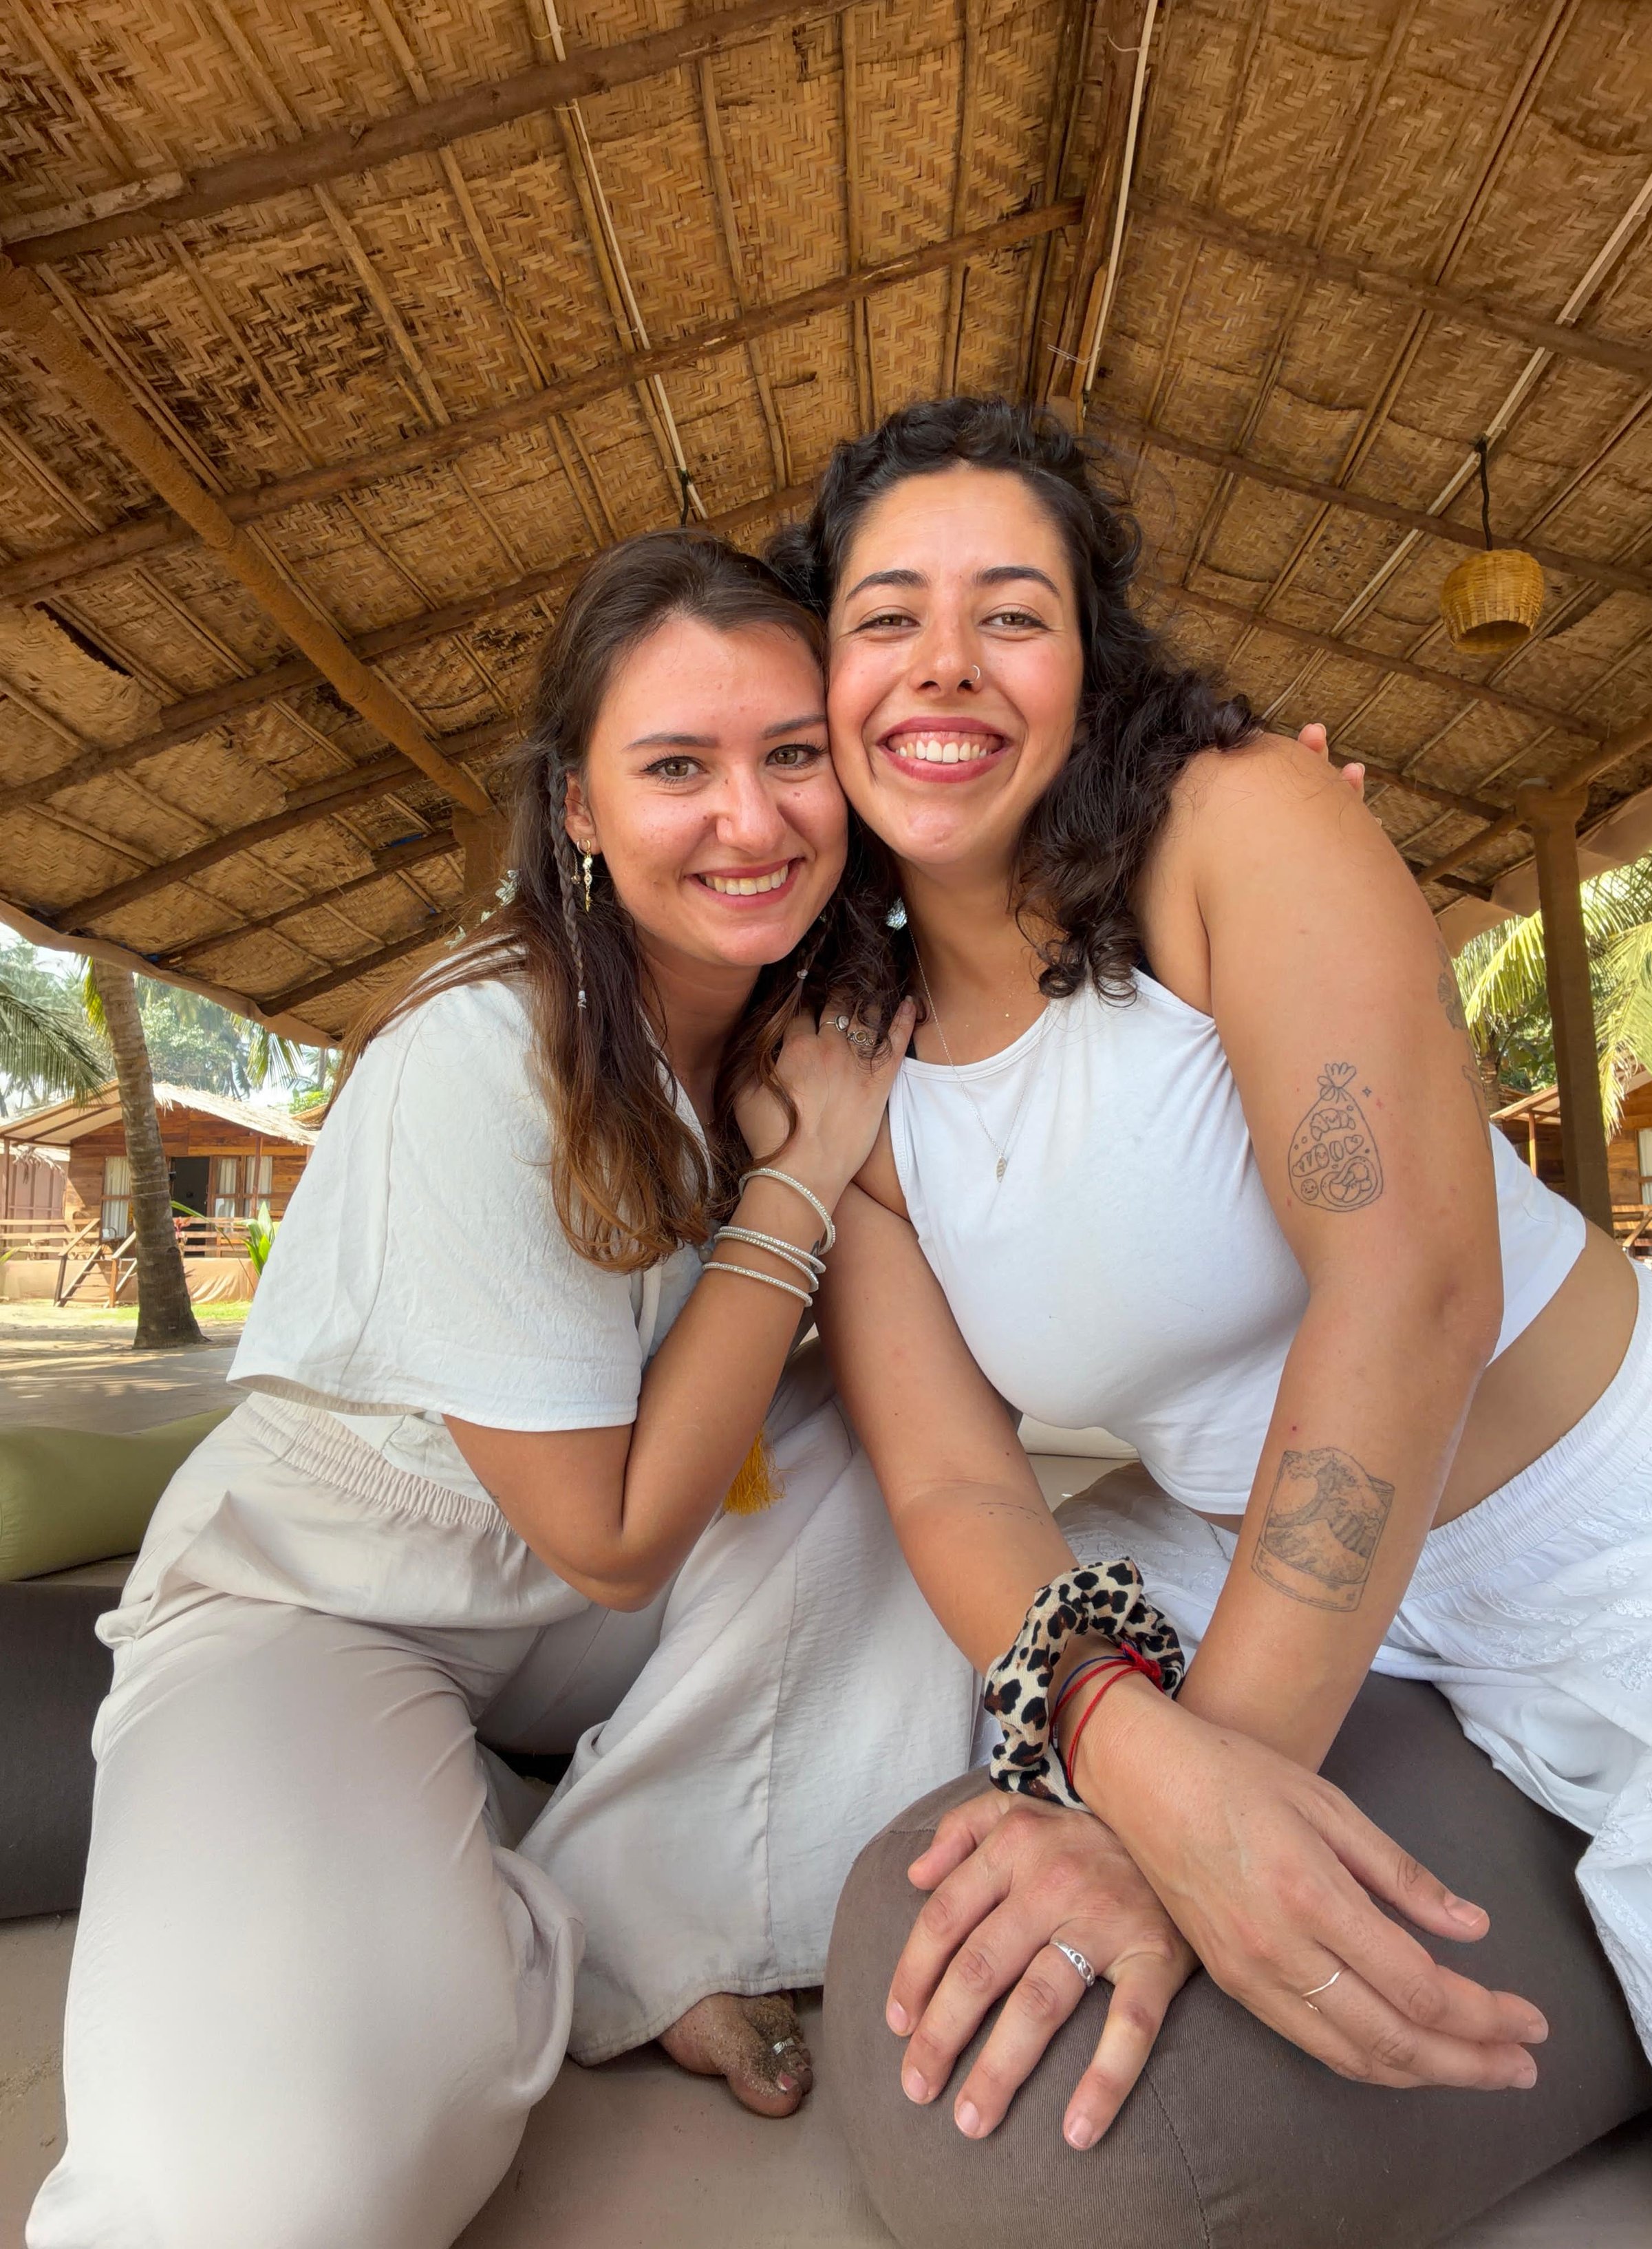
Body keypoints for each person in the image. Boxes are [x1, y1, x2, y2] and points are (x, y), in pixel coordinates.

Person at [763, 399, 1652, 2185]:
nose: (942, 665)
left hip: (1622, 1512)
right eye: (884, 615)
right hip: (1223, 1539)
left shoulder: (1240, 823)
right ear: (817, 681)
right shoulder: (852, 1064)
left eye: (1012, 613)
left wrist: (1193, 1805)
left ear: (1092, 663)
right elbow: (961, 1481)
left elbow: (1408, 1282)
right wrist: (1133, 1750)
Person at [27, 531, 976, 2249]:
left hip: (584, 1602)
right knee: (282, 2195)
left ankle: (628, 1910)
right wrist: (797, 1182)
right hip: (331, 1601)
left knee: (899, 1483)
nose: (751, 821)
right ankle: (507, 1889)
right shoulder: (483, 1051)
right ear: (580, 809)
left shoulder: (812, 1019)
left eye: (790, 757)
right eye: (677, 766)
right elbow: (611, 1537)